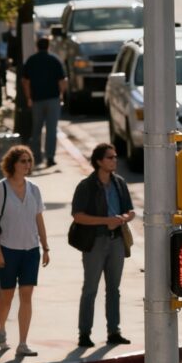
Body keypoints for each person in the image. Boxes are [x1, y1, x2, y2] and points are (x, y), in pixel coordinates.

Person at [0, 144, 48, 359]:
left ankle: (22, 342)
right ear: (12, 163)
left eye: (29, 161)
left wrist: (45, 246)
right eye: (23, 161)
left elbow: (39, 218)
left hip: (31, 250)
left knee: (27, 295)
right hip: (7, 249)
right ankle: (1, 329)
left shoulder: (34, 189)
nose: (27, 165)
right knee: (7, 295)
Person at [70, 143, 135, 348]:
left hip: (116, 239)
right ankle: (84, 333)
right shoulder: (86, 186)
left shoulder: (119, 183)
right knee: (90, 288)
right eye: (110, 157)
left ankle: (114, 331)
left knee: (114, 289)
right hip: (95, 241)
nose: (115, 160)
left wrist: (123, 218)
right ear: (99, 161)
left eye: (115, 157)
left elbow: (131, 211)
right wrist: (106, 221)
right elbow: (78, 216)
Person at [21, 37, 66, 168]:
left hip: (36, 100)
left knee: (36, 129)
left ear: (37, 46)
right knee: (52, 129)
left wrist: (28, 97)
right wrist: (61, 95)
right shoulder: (55, 60)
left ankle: (36, 157)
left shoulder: (31, 60)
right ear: (48, 46)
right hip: (53, 99)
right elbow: (62, 81)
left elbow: (25, 81)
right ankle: (50, 157)